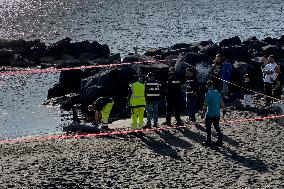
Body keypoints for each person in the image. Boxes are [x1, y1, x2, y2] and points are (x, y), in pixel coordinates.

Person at [201, 80, 226, 147]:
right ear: (212, 85)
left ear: (207, 86)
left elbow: (205, 105)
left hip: (210, 114)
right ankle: (220, 141)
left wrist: (202, 113)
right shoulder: (217, 92)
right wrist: (224, 109)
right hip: (217, 113)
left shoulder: (207, 94)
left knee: (208, 128)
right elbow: (222, 102)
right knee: (217, 127)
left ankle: (208, 141)